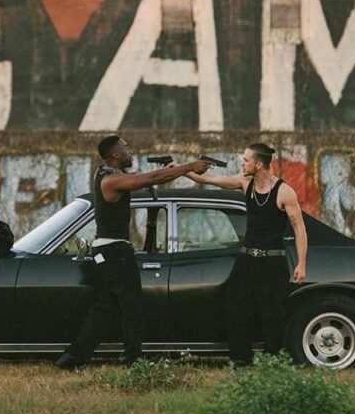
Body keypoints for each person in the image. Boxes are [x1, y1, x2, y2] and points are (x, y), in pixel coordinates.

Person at [55, 136, 211, 370]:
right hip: (115, 252)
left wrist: (168, 171)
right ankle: (133, 361)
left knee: (104, 308)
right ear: (116, 155)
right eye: (126, 148)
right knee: (133, 307)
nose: (131, 151)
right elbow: (151, 178)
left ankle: (72, 359)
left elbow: (147, 177)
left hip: (107, 252)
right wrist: (189, 166)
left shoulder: (106, 173)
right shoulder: (111, 180)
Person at [182, 143, 307, 367]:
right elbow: (210, 179)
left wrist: (301, 264)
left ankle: (275, 363)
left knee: (273, 316)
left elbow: (300, 229)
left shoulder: (284, 192)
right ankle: (240, 360)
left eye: (246, 160)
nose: (242, 163)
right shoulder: (245, 182)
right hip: (246, 260)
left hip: (273, 262)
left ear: (258, 164)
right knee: (235, 309)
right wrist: (179, 169)